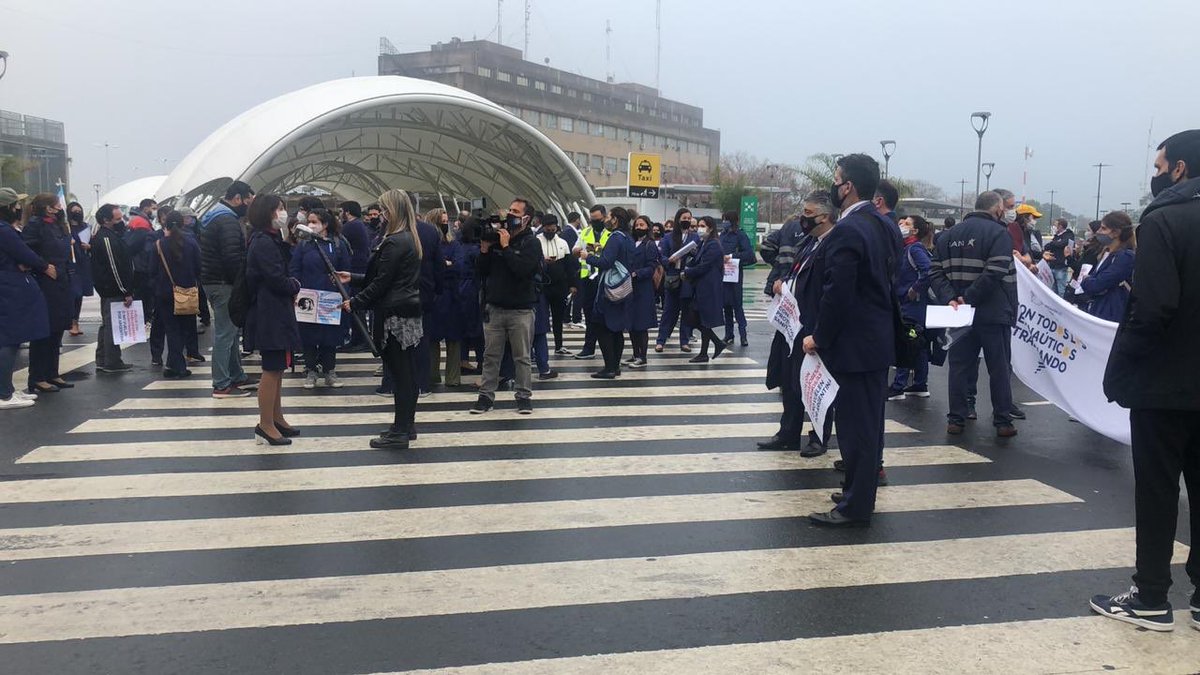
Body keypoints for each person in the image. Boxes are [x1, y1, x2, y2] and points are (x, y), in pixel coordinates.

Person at [1091, 129, 1200, 633]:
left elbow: (1153, 306)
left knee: (1157, 490)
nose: (1155, 176)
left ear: (1179, 168)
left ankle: (1151, 595)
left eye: (1159, 167)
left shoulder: (1164, 219)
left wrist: (1121, 369)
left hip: (1164, 382)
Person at [801, 154, 900, 528]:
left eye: (837, 179)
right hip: (875, 340)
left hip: (853, 345)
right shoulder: (884, 224)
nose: (833, 185)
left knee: (856, 428)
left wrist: (819, 337)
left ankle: (855, 506)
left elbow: (838, 293)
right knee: (869, 426)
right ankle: (858, 490)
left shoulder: (848, 229)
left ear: (849, 187)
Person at [927, 191, 1018, 438]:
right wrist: (970, 297)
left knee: (958, 367)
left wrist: (951, 298)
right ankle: (1003, 421)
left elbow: (934, 272)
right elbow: (996, 270)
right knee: (999, 368)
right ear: (997, 209)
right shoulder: (999, 233)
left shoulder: (948, 236)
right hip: (993, 313)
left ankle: (956, 419)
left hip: (959, 314)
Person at [343, 189, 425, 449]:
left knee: (400, 375)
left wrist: (355, 302)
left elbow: (382, 282)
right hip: (406, 313)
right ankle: (406, 426)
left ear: (393, 211)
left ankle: (400, 431)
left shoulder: (394, 241)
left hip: (393, 316)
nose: (381, 214)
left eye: (384, 209)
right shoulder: (409, 238)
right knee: (407, 374)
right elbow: (385, 278)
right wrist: (354, 278)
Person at [759, 191, 835, 456]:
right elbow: (796, 273)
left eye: (808, 213)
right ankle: (788, 432)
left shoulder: (832, 244)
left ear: (825, 216)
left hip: (813, 323)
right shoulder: (807, 242)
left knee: (815, 383)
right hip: (792, 323)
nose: (803, 218)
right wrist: (783, 283)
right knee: (790, 381)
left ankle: (819, 436)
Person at [470, 198, 542, 414]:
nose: (510, 214)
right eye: (509, 210)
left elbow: (523, 270)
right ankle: (485, 397)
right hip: (495, 307)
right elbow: (482, 271)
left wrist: (507, 247)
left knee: (522, 357)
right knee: (491, 356)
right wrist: (485, 250)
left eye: (515, 211)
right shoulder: (498, 237)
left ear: (526, 218)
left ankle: (523, 397)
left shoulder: (531, 243)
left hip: (521, 309)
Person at [243, 195, 302, 445]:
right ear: (267, 212)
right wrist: (295, 285)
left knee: (278, 368)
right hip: (269, 312)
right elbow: (276, 278)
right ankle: (265, 424)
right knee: (271, 368)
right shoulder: (263, 242)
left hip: (275, 310)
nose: (283, 213)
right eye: (279, 209)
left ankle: (276, 417)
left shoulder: (270, 238)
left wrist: (287, 242)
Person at [199, 180, 258, 399]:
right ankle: (221, 384)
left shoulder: (215, 216)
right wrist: (242, 285)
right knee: (225, 334)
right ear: (237, 199)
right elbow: (232, 258)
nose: (248, 207)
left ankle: (236, 375)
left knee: (231, 333)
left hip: (214, 281)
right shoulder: (227, 221)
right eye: (248, 202)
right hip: (224, 283)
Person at [291, 208, 351, 389]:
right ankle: (311, 370)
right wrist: (295, 291)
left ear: (325, 224)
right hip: (308, 296)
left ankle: (329, 370)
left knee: (330, 336)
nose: (310, 225)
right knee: (308, 335)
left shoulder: (338, 244)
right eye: (309, 221)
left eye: (314, 221)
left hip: (331, 297)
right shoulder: (303, 244)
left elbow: (346, 271)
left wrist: (345, 294)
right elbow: (295, 269)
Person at [21, 194, 75, 394]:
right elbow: (26, 251)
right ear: (48, 208)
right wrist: (43, 266)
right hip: (45, 281)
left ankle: (52, 372)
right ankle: (37, 377)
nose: (60, 208)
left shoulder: (58, 225)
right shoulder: (35, 225)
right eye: (57, 205)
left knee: (57, 328)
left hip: (61, 280)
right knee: (44, 329)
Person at [0, 187, 47, 409]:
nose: (19, 208)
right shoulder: (4, 231)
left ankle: (7, 389)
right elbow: (25, 255)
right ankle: (4, 394)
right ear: (9, 207)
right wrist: (43, 265)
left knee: (10, 339)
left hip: (9, 285)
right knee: (9, 340)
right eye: (17, 205)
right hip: (9, 289)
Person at [579, 206, 634, 378]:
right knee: (617, 329)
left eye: (608, 217)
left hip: (609, 289)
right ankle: (615, 366)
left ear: (615, 219)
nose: (605, 220)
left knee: (603, 328)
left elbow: (606, 262)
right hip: (622, 288)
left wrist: (588, 257)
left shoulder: (615, 237)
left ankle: (609, 367)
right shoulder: (628, 238)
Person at [150, 211, 202, 379]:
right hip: (187, 292)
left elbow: (152, 270)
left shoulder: (159, 244)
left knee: (172, 330)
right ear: (182, 224)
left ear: (165, 225)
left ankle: (175, 365)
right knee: (185, 329)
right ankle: (176, 365)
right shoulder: (191, 243)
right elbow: (198, 267)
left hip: (165, 293)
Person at [888, 215, 933, 400]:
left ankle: (898, 386)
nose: (901, 225)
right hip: (912, 305)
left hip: (912, 305)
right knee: (917, 344)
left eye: (906, 223)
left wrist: (914, 289)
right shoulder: (907, 248)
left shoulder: (914, 249)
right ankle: (920, 384)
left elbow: (928, 271)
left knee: (906, 341)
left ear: (915, 230)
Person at [91, 204, 135, 374]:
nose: (121, 222)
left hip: (109, 288)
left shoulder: (108, 236)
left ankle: (103, 359)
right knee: (112, 326)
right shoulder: (106, 239)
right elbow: (114, 267)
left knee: (107, 324)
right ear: (106, 220)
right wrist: (125, 291)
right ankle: (111, 361)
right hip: (113, 289)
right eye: (117, 219)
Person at [429, 209, 467, 386]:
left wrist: (443, 265)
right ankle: (431, 376)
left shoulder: (454, 243)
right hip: (435, 296)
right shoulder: (429, 243)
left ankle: (453, 378)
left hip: (452, 296)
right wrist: (446, 264)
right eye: (442, 222)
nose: (445, 225)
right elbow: (430, 268)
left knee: (454, 339)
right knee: (432, 338)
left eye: (446, 221)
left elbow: (459, 267)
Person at [682, 216, 727, 363]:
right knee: (698, 319)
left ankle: (707, 350)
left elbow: (704, 266)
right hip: (701, 287)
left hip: (708, 288)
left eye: (702, 226)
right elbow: (696, 261)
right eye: (698, 226)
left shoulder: (713, 245)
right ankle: (712, 347)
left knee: (700, 320)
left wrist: (687, 272)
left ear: (711, 228)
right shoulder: (704, 243)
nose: (699, 229)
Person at [656, 208, 699, 353]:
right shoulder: (668, 237)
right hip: (672, 276)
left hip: (687, 278)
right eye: (684, 218)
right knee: (669, 311)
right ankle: (661, 340)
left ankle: (684, 341)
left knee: (686, 311)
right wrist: (669, 261)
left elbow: (699, 256)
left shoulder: (694, 237)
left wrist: (694, 254)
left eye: (689, 218)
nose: (686, 220)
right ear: (678, 219)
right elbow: (661, 256)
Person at [1081, 211, 1136, 322]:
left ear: (1116, 232)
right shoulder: (1106, 253)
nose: (1098, 232)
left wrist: (1086, 280)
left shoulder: (1125, 256)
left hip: (1111, 314)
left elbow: (1097, 284)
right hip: (1098, 309)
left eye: (1103, 228)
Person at [573, 205, 610, 360]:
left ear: (604, 217)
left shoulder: (611, 233)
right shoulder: (585, 232)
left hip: (605, 279)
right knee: (589, 314)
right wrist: (578, 251)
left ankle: (608, 348)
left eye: (597, 219)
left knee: (605, 315)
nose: (594, 222)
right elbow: (575, 249)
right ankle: (589, 347)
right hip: (588, 279)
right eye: (592, 219)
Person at [538, 214, 577, 357]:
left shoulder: (562, 243)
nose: (550, 231)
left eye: (552, 229)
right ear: (543, 227)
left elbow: (569, 266)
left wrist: (572, 284)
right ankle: (537, 348)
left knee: (558, 317)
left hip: (559, 286)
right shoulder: (536, 241)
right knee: (540, 318)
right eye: (547, 229)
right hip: (542, 286)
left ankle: (559, 345)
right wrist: (543, 261)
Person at [626, 215, 661, 368]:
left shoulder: (650, 245)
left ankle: (643, 356)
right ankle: (635, 354)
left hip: (643, 288)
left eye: (642, 225)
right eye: (636, 225)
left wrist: (637, 273)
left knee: (641, 325)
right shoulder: (631, 243)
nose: (638, 227)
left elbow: (652, 267)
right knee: (631, 324)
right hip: (630, 288)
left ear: (648, 227)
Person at [339, 200, 373, 352]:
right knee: (357, 306)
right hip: (361, 268)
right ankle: (358, 339)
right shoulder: (360, 225)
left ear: (347, 212)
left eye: (342, 211)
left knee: (355, 306)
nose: (341, 214)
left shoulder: (350, 226)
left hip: (354, 270)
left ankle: (361, 340)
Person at [719, 211, 757, 347]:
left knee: (737, 306)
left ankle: (743, 335)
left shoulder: (740, 235)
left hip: (735, 275)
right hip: (724, 274)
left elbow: (749, 254)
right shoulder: (722, 235)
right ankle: (729, 335)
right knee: (726, 306)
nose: (724, 222)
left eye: (726, 220)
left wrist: (731, 256)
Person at [66, 202, 93, 337]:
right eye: (74, 211)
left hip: (83, 263)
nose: (77, 213)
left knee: (80, 294)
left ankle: (75, 321)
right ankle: (71, 321)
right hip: (71, 263)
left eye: (79, 210)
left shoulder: (85, 227)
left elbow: (92, 243)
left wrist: (89, 246)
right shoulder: (65, 228)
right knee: (73, 293)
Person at [1043, 217, 1075, 297]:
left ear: (1060, 226)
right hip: (1052, 265)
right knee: (1053, 290)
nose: (1054, 227)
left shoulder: (1069, 235)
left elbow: (1061, 244)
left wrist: (1054, 243)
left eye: (1055, 225)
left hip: (1061, 267)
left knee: (1061, 290)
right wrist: (1055, 243)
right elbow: (1047, 246)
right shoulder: (1056, 236)